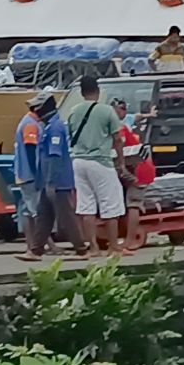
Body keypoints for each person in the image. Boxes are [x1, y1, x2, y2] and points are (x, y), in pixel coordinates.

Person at [68, 76, 132, 258]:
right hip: (100, 161)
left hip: (78, 162)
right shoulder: (106, 111)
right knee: (110, 204)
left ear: (81, 92)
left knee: (86, 206)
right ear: (98, 91)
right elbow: (118, 139)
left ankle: (93, 248)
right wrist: (121, 163)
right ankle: (114, 247)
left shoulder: (74, 111)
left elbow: (71, 134)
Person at [26, 92, 89, 261]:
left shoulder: (55, 128)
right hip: (50, 181)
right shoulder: (48, 126)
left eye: (36, 107)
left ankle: (81, 249)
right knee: (44, 215)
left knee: (66, 216)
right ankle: (36, 250)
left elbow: (54, 156)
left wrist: (50, 181)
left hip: (58, 181)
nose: (34, 110)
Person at [114, 98, 154, 251]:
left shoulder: (119, 130)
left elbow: (122, 154)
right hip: (134, 166)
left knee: (133, 203)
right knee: (129, 202)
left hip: (140, 168)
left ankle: (130, 240)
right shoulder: (120, 128)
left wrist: (124, 172)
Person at [14, 93, 46, 258]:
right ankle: (35, 247)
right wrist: (38, 173)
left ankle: (33, 245)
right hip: (30, 175)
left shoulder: (28, 122)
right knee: (36, 211)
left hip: (23, 173)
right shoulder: (30, 125)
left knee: (29, 210)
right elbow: (31, 149)